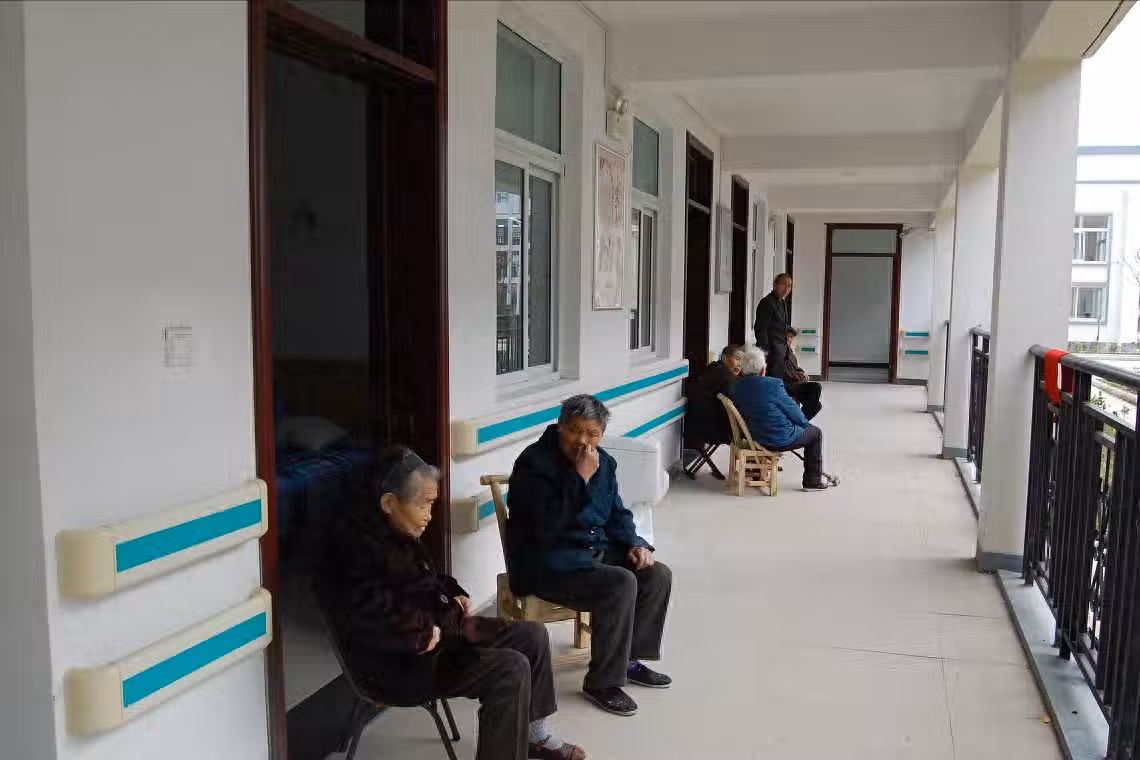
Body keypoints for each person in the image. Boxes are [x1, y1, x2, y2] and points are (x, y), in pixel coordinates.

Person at [317, 446, 586, 760]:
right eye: (423, 504)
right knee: (510, 669)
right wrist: (425, 629)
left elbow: (427, 579)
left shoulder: (396, 533)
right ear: (389, 503)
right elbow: (371, 615)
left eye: (431, 504)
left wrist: (453, 592)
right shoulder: (356, 552)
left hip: (439, 638)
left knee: (532, 635)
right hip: (400, 663)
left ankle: (535, 737)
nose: (429, 515)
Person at [507, 395, 673, 718]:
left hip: (590, 555)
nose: (583, 441)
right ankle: (602, 683)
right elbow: (543, 526)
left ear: (601, 434)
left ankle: (628, 660)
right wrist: (579, 479)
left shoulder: (604, 463)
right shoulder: (533, 463)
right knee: (620, 582)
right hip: (548, 562)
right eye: (574, 430)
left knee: (656, 574)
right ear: (560, 427)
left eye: (592, 434)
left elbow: (617, 513)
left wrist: (636, 543)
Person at [729, 347, 831, 491]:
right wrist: (801, 423)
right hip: (776, 440)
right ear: (763, 370)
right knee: (815, 433)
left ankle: (758, 470)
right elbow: (799, 417)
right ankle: (812, 481)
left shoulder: (736, 387)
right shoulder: (773, 385)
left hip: (753, 437)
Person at [684, 345, 745, 478]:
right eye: (737, 358)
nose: (740, 364)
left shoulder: (714, 369)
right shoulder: (724, 376)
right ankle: (755, 466)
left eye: (742, 360)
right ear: (724, 358)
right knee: (748, 431)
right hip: (709, 429)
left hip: (694, 425)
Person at [753, 273, 793, 382]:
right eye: (783, 284)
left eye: (789, 286)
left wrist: (790, 332)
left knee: (779, 383)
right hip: (771, 353)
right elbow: (760, 329)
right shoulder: (766, 302)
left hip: (781, 352)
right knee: (770, 382)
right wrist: (766, 352)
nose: (787, 288)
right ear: (775, 285)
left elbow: (781, 325)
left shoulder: (782, 302)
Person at [782, 327, 823, 421]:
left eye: (791, 337)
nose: (789, 339)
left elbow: (795, 367)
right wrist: (799, 376)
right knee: (816, 387)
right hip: (787, 385)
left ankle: (800, 421)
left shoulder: (789, 351)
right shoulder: (780, 352)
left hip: (794, 382)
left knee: (817, 405)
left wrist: (801, 372)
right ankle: (800, 421)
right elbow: (784, 372)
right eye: (788, 336)